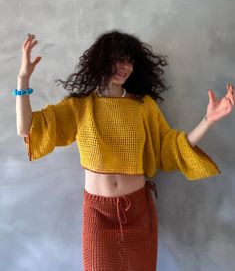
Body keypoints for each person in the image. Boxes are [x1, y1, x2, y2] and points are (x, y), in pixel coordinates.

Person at [15, 31, 234, 271]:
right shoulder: (80, 106)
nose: (125, 67)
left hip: (139, 212)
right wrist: (23, 79)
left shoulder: (143, 106)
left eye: (129, 60)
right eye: (118, 59)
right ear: (101, 61)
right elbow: (27, 129)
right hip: (98, 215)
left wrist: (208, 120)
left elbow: (170, 147)